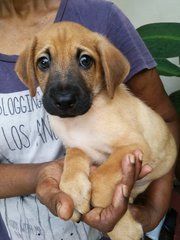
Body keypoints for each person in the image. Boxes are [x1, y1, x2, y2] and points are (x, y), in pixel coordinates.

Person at [0, 0, 179, 240]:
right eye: (44, 63)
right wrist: (40, 175)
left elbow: (164, 123)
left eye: (85, 61)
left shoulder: (101, 16)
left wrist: (150, 213)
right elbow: (79, 147)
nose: (63, 94)